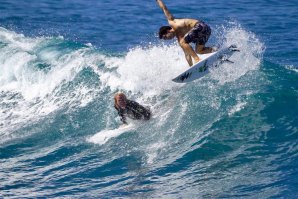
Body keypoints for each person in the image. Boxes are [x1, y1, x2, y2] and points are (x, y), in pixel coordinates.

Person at [156, 0, 216, 66]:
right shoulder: (180, 39)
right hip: (205, 31)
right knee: (199, 51)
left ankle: (197, 59)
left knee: (183, 42)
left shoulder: (172, 21)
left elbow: (164, 8)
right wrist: (191, 68)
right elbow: (187, 54)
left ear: (167, 31)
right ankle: (217, 50)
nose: (167, 39)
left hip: (201, 26)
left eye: (165, 37)